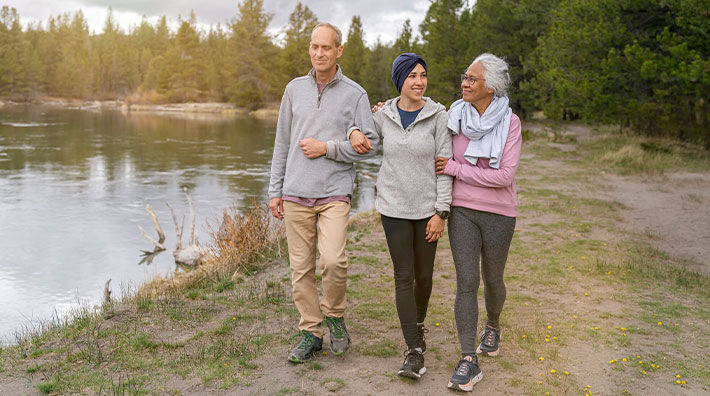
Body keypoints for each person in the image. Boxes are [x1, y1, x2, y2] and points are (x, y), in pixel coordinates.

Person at [267, 22, 379, 364]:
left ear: (339, 51)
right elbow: (282, 142)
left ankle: (334, 316)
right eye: (314, 47)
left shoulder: (356, 94)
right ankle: (311, 333)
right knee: (300, 269)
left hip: (334, 192)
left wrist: (327, 148)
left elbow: (370, 146)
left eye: (326, 48)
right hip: (295, 191)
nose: (319, 53)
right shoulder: (293, 90)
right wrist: (275, 190)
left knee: (333, 260)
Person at [351, 53, 452, 379]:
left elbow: (444, 168)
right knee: (403, 276)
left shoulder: (439, 115)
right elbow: (360, 130)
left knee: (424, 277)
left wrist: (441, 212)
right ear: (400, 81)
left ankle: (417, 326)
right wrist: (355, 128)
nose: (419, 81)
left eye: (423, 75)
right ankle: (414, 351)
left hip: (426, 210)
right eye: (412, 76)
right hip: (393, 208)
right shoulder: (384, 116)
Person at [434, 53, 522, 392]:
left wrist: (456, 169)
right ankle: (469, 359)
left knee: (493, 279)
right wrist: (390, 111)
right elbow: (424, 118)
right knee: (467, 281)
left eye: (472, 79)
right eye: (464, 77)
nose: (465, 83)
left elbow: (504, 176)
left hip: (500, 213)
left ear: (492, 87)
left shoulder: (510, 123)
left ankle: (494, 325)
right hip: (463, 211)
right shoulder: (454, 116)